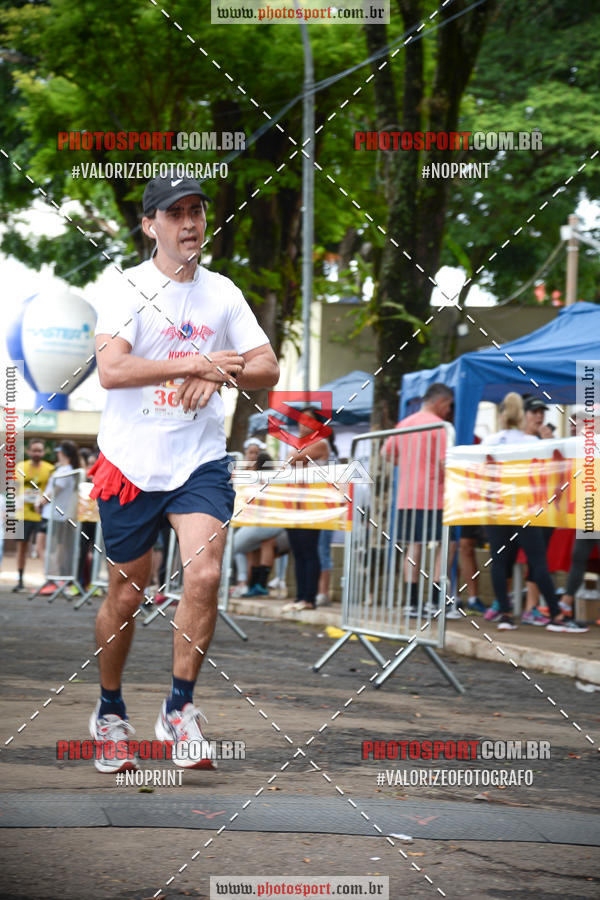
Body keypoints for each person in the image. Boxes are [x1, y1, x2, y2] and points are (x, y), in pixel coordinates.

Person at [88, 175, 279, 774]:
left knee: (206, 573)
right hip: (131, 461)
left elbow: (267, 365)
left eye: (196, 211)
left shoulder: (222, 293)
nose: (190, 223)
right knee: (128, 592)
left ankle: (179, 708)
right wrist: (195, 361)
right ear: (151, 226)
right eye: (175, 214)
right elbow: (112, 371)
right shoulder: (125, 288)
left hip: (198, 460)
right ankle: (110, 711)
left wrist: (221, 373)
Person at [482, 392, 587, 633]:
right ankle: (556, 616)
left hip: (497, 509)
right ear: (522, 415)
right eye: (534, 412)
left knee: (499, 561)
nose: (539, 416)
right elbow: (554, 469)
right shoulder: (532, 442)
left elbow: (483, 473)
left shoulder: (490, 441)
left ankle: (506, 615)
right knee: (538, 561)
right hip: (524, 508)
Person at [383, 383, 454, 614]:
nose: (449, 410)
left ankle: (411, 602)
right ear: (441, 401)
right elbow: (444, 463)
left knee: (414, 547)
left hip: (407, 496)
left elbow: (386, 453)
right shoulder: (440, 426)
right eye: (449, 405)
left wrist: (408, 464)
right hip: (434, 495)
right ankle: (435, 599)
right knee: (447, 545)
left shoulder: (404, 423)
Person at [283, 407, 331, 612]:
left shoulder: (320, 443)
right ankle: (300, 597)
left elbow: (292, 459)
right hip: (295, 503)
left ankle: (309, 598)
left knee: (309, 549)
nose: (303, 424)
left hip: (313, 504)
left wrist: (293, 454)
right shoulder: (299, 444)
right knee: (298, 551)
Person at [37, 441, 81, 591]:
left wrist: (40, 502)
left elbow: (54, 492)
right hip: (53, 514)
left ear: (63, 453)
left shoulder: (66, 471)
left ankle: (54, 580)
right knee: (50, 547)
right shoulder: (64, 469)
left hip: (53, 515)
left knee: (45, 547)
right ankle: (54, 579)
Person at [13, 440, 54, 592]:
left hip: (41, 514)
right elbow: (14, 487)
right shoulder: (20, 466)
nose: (37, 453)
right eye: (34, 450)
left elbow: (52, 490)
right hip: (22, 514)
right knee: (21, 548)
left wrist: (43, 501)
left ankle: (49, 581)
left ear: (44, 452)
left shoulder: (50, 469)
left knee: (42, 548)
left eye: (40, 450)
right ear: (29, 451)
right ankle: (20, 580)